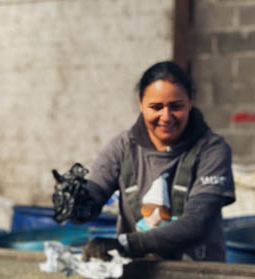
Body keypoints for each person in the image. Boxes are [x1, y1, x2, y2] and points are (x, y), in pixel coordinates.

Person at [53, 61, 235, 262]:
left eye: (176, 106)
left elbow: (197, 223)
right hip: (141, 275)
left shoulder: (211, 150)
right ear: (141, 104)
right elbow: (94, 196)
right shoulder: (123, 148)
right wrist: (76, 203)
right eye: (156, 107)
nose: (166, 117)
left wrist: (125, 245)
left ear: (190, 102)